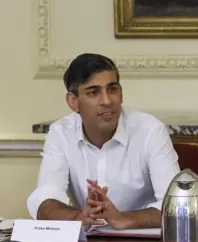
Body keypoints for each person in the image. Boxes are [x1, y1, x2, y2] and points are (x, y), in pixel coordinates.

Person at [27, 53, 181, 230]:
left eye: (112, 89)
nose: (107, 101)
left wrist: (122, 218)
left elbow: (175, 206)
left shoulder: (151, 131)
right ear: (73, 101)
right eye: (93, 92)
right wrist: (77, 217)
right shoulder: (61, 133)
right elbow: (45, 199)